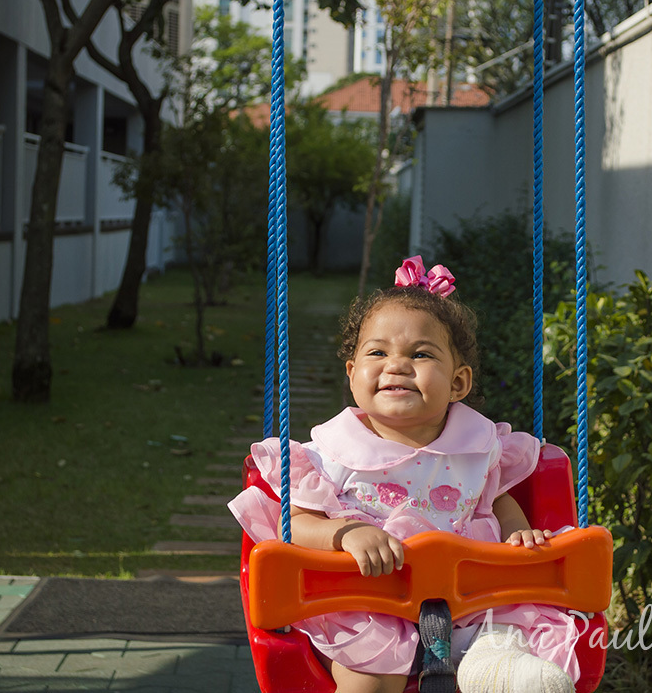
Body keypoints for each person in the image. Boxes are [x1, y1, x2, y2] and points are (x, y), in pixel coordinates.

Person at [229, 256, 581, 693]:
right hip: (367, 607)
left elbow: (493, 498)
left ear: (458, 382)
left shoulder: (481, 445)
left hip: (469, 603)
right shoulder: (328, 454)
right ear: (352, 374)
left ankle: (497, 671)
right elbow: (295, 524)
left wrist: (518, 533)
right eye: (377, 352)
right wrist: (345, 534)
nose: (396, 364)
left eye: (420, 354)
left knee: (506, 643)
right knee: (370, 681)